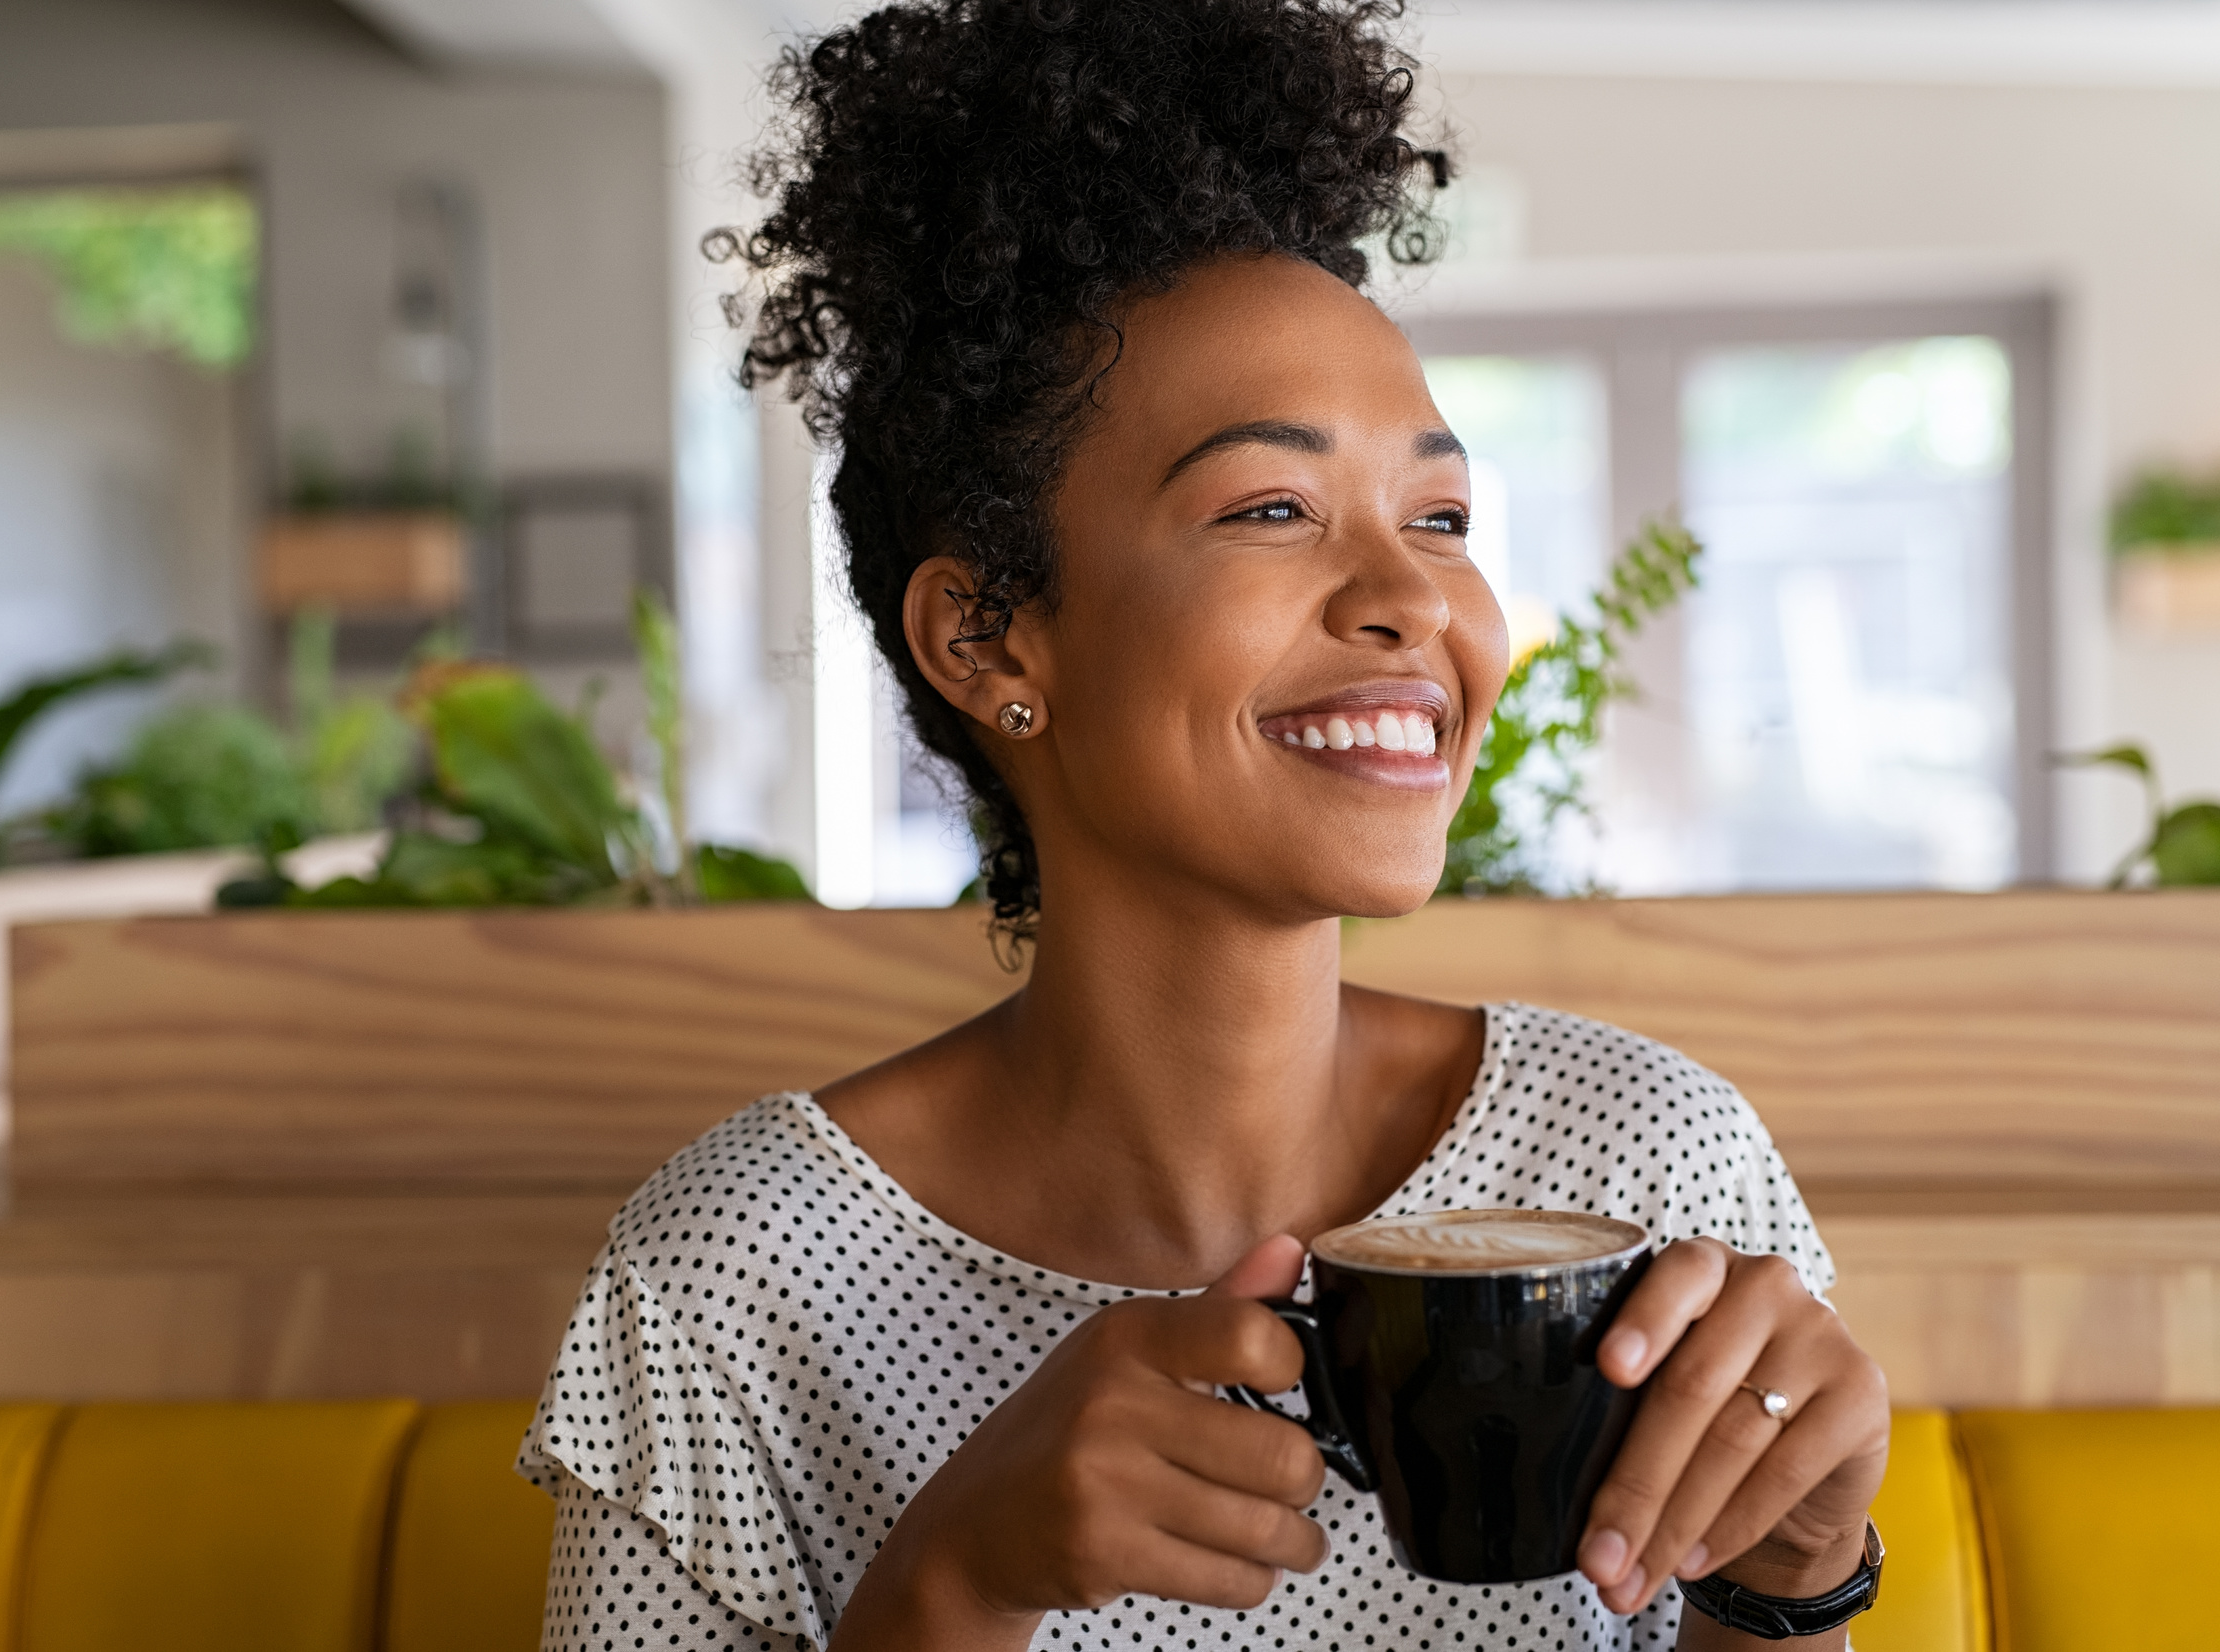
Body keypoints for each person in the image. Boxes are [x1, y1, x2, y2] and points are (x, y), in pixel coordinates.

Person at [518, 1, 1890, 1646]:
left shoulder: (1649, 1162)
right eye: (1271, 509)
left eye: (1440, 517)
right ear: (988, 638)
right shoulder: (729, 1279)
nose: (1412, 600)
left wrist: (1798, 1578)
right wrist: (954, 1582)